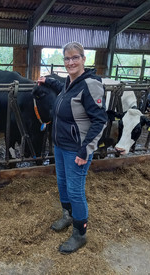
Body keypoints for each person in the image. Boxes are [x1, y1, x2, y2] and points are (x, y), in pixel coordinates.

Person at [38, 42, 108, 254]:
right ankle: (67, 215)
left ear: (84, 59)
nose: (71, 62)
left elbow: (100, 120)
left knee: (75, 190)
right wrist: (48, 81)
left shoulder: (90, 84)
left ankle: (80, 233)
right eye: (67, 59)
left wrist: (85, 150)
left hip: (77, 149)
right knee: (62, 183)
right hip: (60, 146)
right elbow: (63, 92)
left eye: (75, 57)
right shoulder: (70, 82)